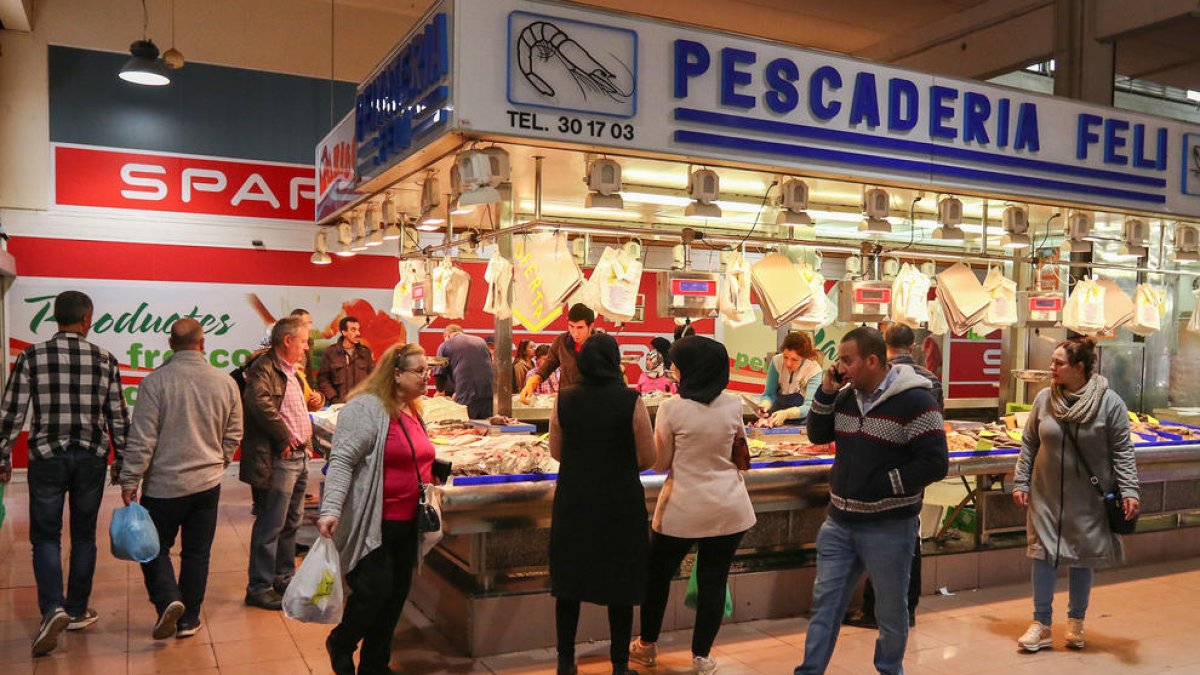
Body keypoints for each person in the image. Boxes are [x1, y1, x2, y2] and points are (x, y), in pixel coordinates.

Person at [794, 327, 948, 675]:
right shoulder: (846, 396)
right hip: (839, 523)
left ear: (873, 360)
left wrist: (884, 485)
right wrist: (827, 392)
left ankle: (889, 670)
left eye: (847, 361)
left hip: (889, 525)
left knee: (890, 613)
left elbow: (935, 462)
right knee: (825, 606)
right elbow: (818, 434)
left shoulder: (916, 401)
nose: (840, 367)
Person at [0, 291, 129, 657]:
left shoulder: (31, 355)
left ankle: (52, 607)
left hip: (47, 458)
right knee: (85, 536)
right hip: (91, 458)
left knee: (45, 537)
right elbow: (117, 417)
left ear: (56, 319)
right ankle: (75, 609)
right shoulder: (105, 358)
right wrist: (123, 462)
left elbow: (12, 413)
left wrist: (2, 456)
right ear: (87, 319)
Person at [629, 336, 755, 675]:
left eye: (677, 365)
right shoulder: (732, 404)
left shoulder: (672, 408)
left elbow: (660, 462)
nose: (673, 371)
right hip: (730, 508)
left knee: (658, 578)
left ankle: (646, 646)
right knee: (714, 579)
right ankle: (701, 658)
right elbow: (741, 452)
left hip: (682, 510)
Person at [1011, 337, 1139, 652]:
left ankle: (1076, 622)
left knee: (1082, 558)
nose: (1051, 368)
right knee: (1042, 554)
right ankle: (1041, 624)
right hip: (1046, 494)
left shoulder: (1110, 403)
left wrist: (1130, 489)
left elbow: (1123, 451)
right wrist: (1021, 482)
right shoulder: (1043, 399)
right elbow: (1029, 443)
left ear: (1079, 367)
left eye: (1059, 363)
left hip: (1088, 499)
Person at [119, 319, 243, 640]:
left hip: (163, 487)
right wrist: (219, 461)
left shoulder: (155, 383)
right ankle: (189, 619)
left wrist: (130, 478)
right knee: (197, 553)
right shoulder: (224, 382)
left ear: (170, 344)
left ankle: (167, 600)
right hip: (207, 484)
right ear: (203, 344)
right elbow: (234, 432)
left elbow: (143, 438)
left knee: (152, 549)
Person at [318, 343, 437, 675]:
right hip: (375, 522)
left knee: (396, 595)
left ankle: (375, 664)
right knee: (374, 592)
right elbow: (341, 461)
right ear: (396, 374)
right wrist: (330, 509)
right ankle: (341, 642)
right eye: (420, 370)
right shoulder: (366, 408)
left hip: (408, 523)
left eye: (427, 370)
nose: (426, 376)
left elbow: (415, 454)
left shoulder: (414, 409)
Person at [549, 333, 656, 675]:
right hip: (619, 502)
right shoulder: (630, 400)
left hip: (575, 501)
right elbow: (648, 456)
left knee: (569, 584)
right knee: (620, 584)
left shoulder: (563, 399)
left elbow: (556, 452)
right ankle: (620, 666)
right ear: (614, 361)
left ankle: (566, 662)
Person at [844, 323, 944, 630]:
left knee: (888, 545)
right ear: (912, 346)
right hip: (912, 472)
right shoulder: (929, 380)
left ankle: (880, 612)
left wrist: (882, 481)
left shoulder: (876, 382)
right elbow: (936, 427)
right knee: (908, 542)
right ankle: (904, 608)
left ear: (882, 350)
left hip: (890, 478)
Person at [240, 316, 314, 610]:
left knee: (291, 523)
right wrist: (284, 438)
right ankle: (259, 587)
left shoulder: (293, 370)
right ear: (288, 340)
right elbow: (260, 405)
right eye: (304, 341)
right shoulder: (263, 368)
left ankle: (284, 578)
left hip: (299, 457)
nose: (307, 348)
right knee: (271, 525)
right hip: (278, 459)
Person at [520, 303, 595, 402]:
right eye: (571, 326)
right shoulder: (561, 342)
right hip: (567, 403)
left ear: (591, 326)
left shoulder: (602, 343)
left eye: (580, 327)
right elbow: (547, 367)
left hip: (593, 402)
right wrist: (532, 382)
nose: (575, 333)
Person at [760, 332, 823, 426]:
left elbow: (809, 406)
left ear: (804, 358)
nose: (788, 363)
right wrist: (765, 405)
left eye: (794, 359)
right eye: (785, 357)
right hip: (775, 418)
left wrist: (787, 414)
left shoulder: (813, 370)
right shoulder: (776, 361)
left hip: (801, 422)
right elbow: (769, 393)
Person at [436, 325, 494, 419]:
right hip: (489, 394)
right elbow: (489, 365)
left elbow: (439, 373)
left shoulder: (445, 345)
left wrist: (440, 391)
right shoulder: (480, 341)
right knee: (485, 428)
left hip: (467, 396)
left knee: (468, 428)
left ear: (447, 335)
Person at [317, 316, 375, 404]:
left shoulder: (365, 353)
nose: (358, 333)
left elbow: (374, 377)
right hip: (339, 405)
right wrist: (334, 398)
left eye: (358, 330)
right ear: (344, 332)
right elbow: (323, 379)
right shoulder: (331, 353)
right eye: (353, 330)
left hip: (362, 405)